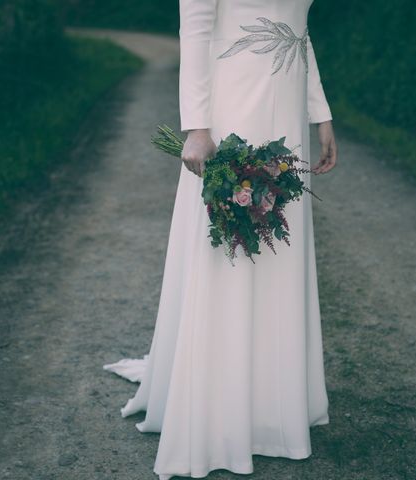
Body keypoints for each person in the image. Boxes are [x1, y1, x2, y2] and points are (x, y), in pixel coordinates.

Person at [104, 1, 337, 478]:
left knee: (279, 252)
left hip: (286, 114)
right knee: (231, 249)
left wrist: (320, 111)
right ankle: (221, 408)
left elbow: (300, 29)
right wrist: (197, 126)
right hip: (236, 106)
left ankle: (274, 406)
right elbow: (195, 27)